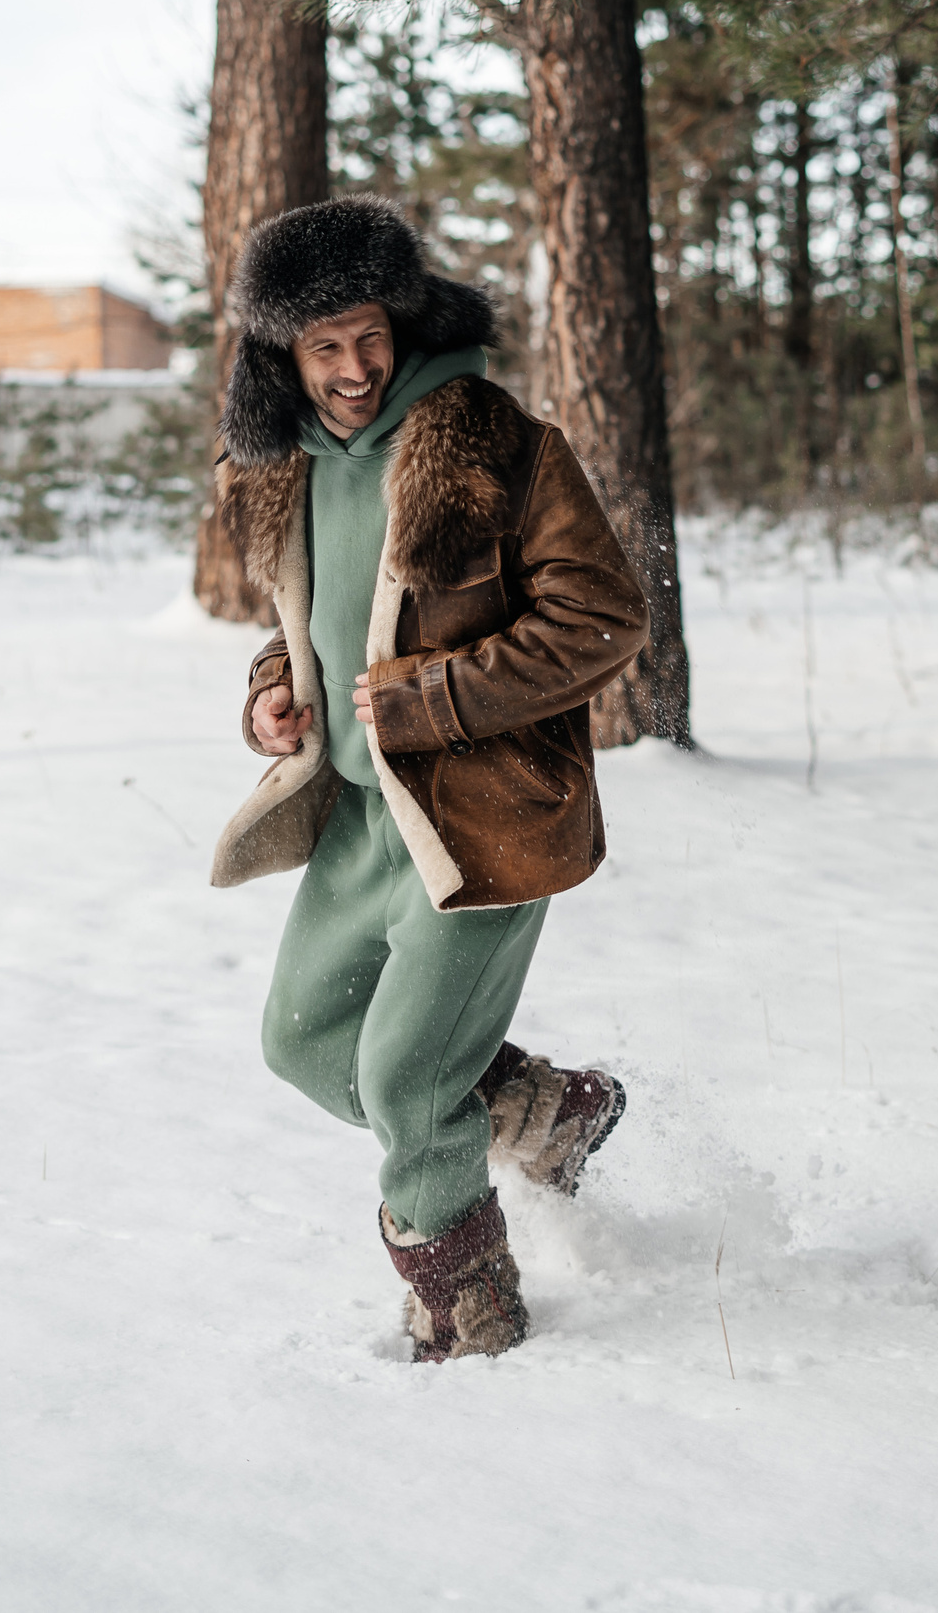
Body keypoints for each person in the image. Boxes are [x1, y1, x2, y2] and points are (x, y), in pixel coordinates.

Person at [207, 197, 650, 1362]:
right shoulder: (278, 468)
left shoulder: (499, 444)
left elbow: (604, 617)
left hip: (488, 819)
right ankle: (543, 1115)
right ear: (281, 356)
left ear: (401, 322)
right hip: (361, 820)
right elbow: (312, 618)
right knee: (304, 1046)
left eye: (368, 335)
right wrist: (272, 689)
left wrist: (436, 696)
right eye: (321, 347)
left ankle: (468, 1304)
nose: (353, 368)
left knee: (405, 1080)